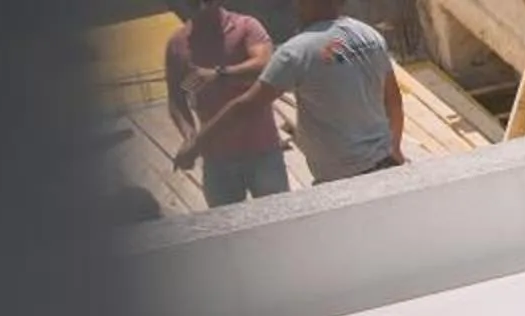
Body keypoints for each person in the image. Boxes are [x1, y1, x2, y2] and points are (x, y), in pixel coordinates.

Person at [173, 1, 403, 187]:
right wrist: (394, 148)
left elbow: (246, 105)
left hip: (341, 179)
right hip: (383, 167)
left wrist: (196, 144)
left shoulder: (296, 52)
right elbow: (393, 100)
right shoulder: (369, 35)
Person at [162, 0, 287, 207]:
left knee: (280, 219)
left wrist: (220, 74)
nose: (199, 7)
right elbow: (178, 96)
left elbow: (264, 64)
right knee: (226, 227)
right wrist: (190, 137)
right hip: (217, 159)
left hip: (262, 151)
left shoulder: (245, 27)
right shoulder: (179, 44)